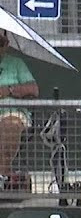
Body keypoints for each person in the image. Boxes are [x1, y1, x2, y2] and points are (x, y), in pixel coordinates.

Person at [0, 31, 38, 192]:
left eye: (0, 43)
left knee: (10, 124)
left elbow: (33, 89)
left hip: (12, 112)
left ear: (6, 45)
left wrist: (9, 90)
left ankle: (2, 174)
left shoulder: (16, 63)